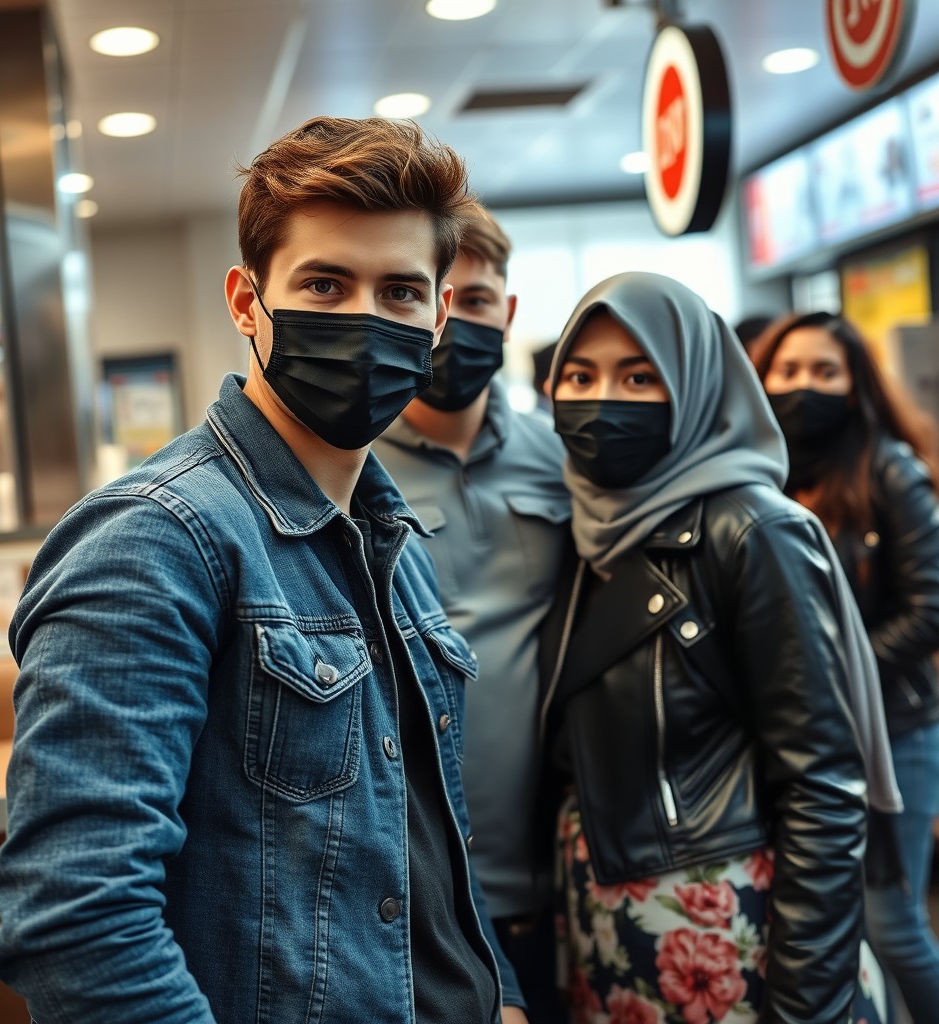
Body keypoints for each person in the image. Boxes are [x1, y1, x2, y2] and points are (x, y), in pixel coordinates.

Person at [0, 116, 528, 1024]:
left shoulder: (394, 542)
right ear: (247, 301)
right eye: (324, 282)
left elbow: (429, 841)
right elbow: (75, 918)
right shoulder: (155, 540)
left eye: (399, 292)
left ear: (436, 317)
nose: (364, 318)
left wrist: (500, 996)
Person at [539, 271, 901, 1022]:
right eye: (581, 374)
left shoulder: (755, 532)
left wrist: (805, 1003)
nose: (603, 398)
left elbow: (826, 787)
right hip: (613, 934)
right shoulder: (583, 531)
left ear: (697, 386)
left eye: (640, 375)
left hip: (733, 940)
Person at [374, 204, 570, 1021]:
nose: (459, 322)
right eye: (439, 297)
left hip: (572, 875)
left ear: (507, 312)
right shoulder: (353, 471)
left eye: (480, 300)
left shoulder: (563, 457)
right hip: (428, 895)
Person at [755, 311, 939, 1024]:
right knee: (835, 925)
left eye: (824, 371)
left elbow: (930, 608)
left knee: (893, 924)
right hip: (802, 742)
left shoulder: (889, 468)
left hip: (893, 728)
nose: (805, 385)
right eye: (790, 370)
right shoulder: (762, 475)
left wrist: (834, 680)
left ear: (855, 384)